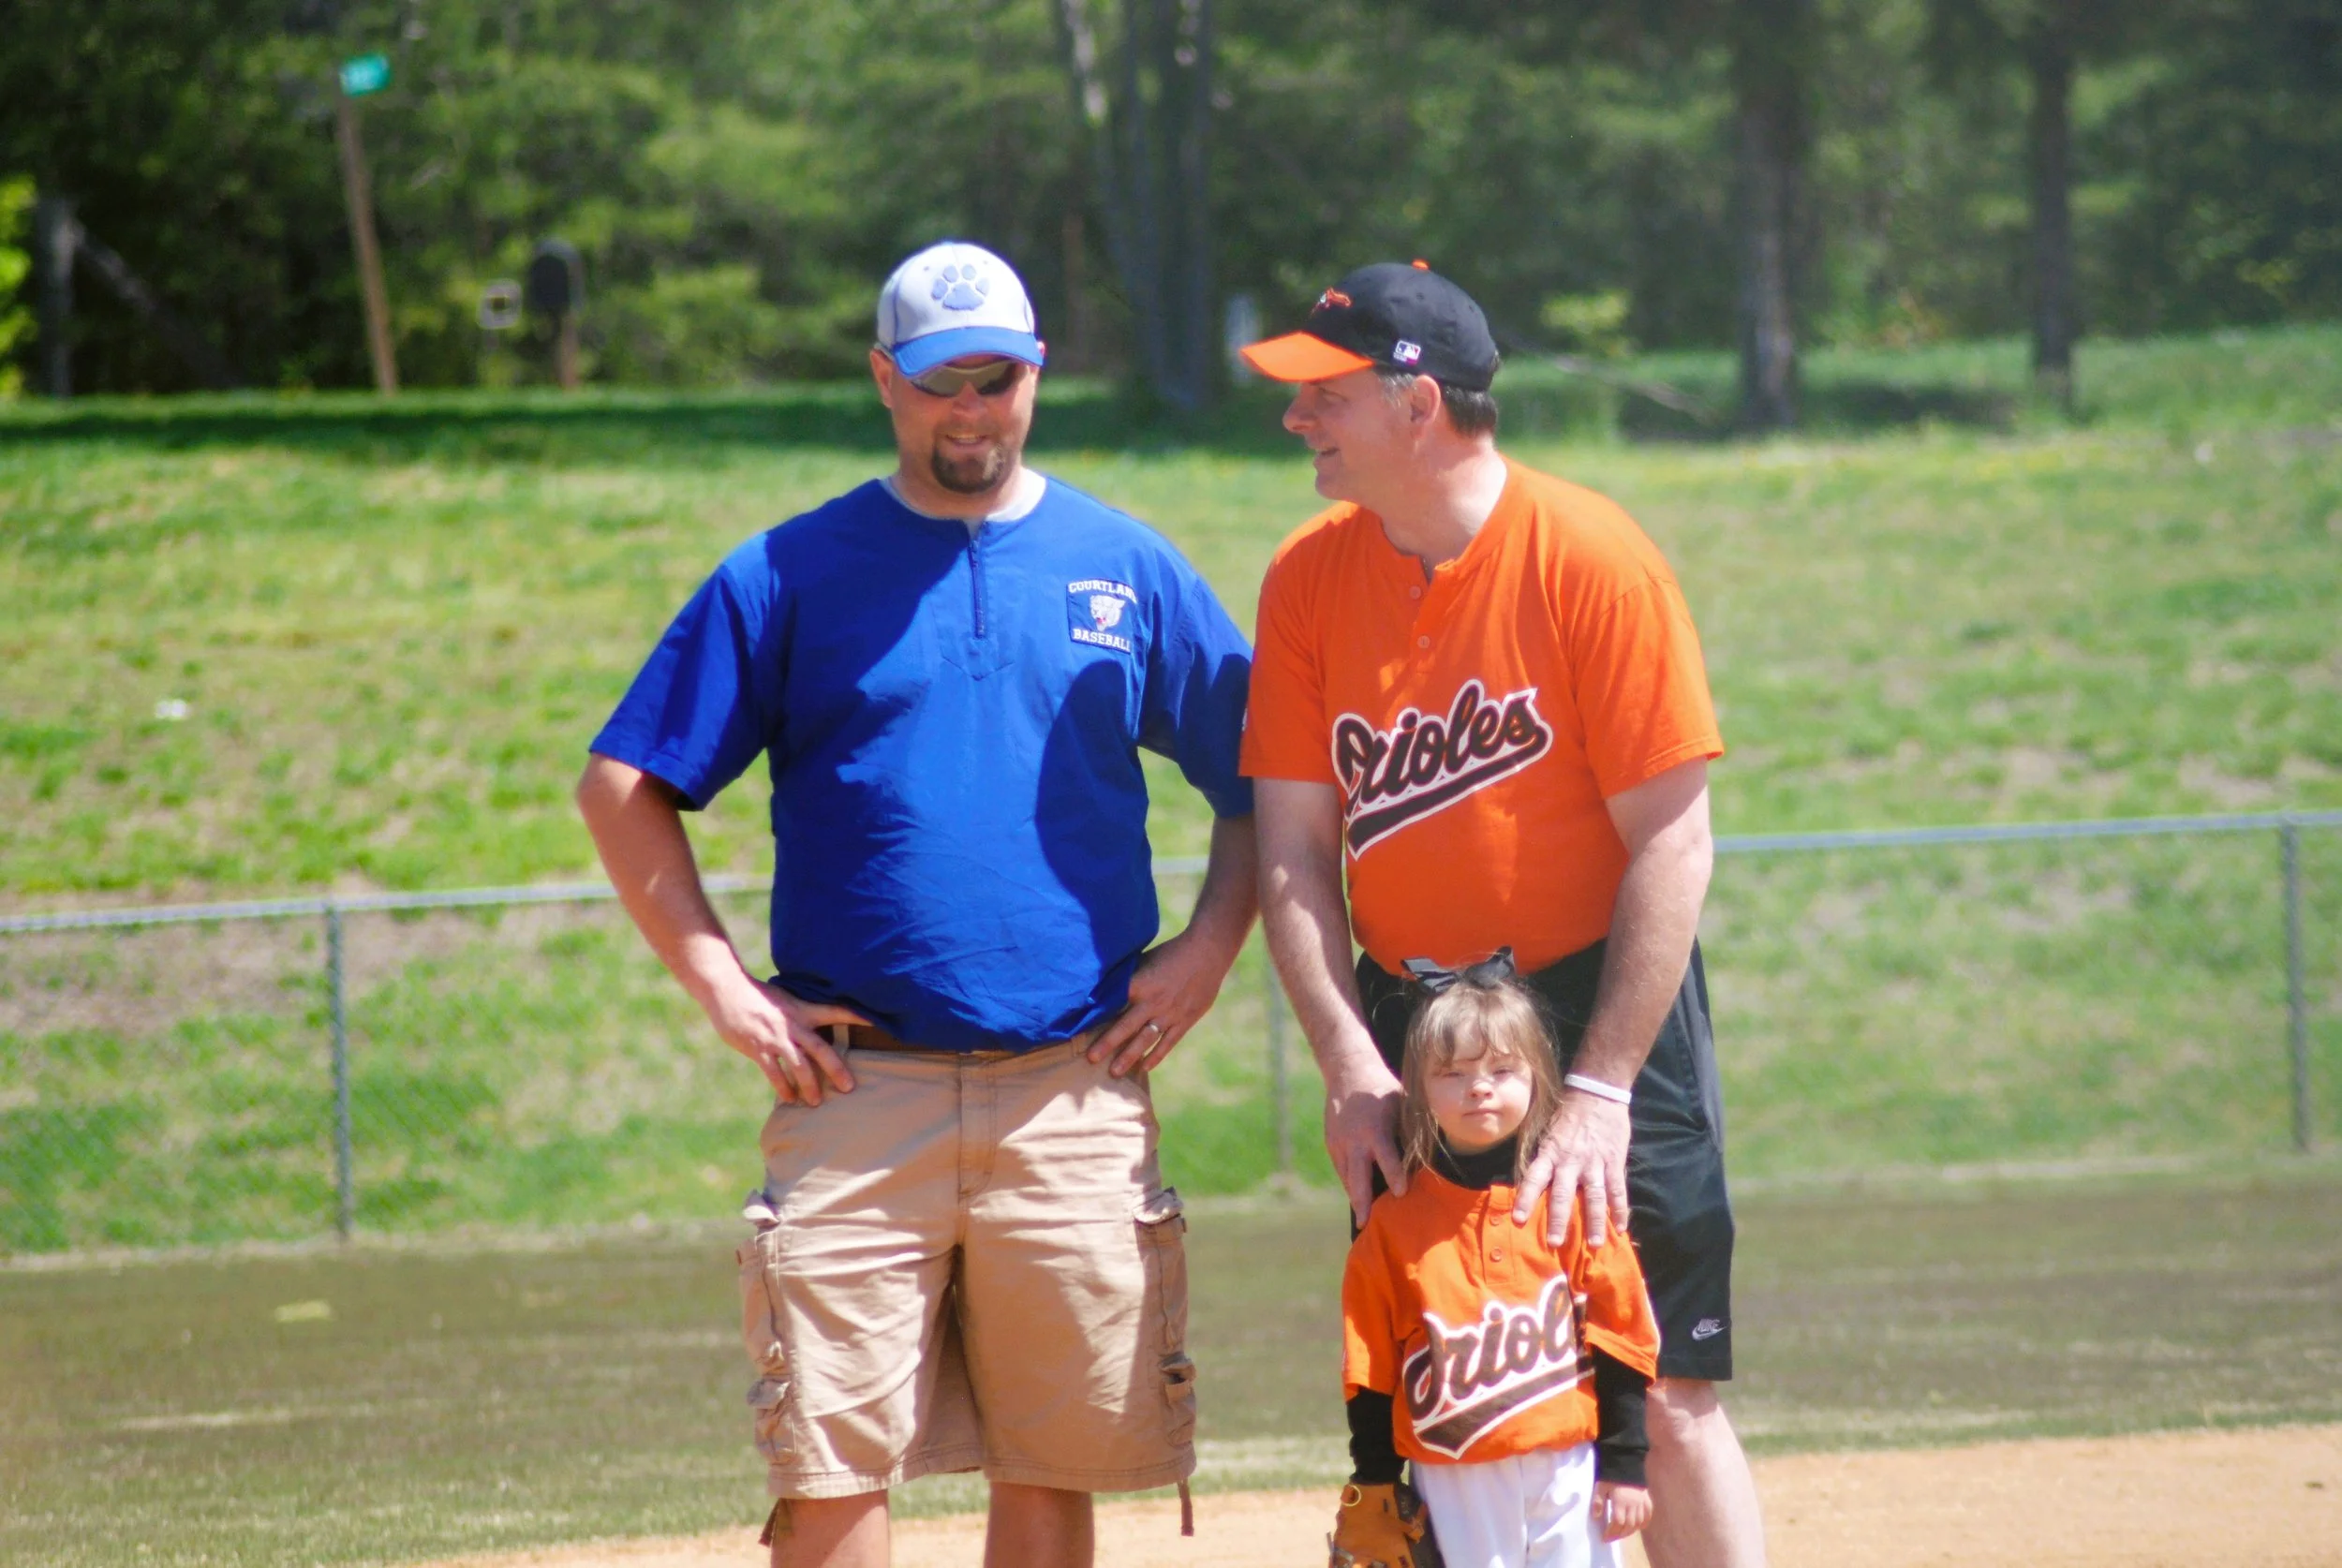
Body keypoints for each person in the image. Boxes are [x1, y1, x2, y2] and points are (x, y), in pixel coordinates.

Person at [574, 240, 1258, 1568]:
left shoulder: (1125, 563)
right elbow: (622, 786)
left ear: (1036, 377)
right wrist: (725, 987)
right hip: (855, 1097)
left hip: (1072, 1083)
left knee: (1053, 1468)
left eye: (998, 379)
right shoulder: (788, 572)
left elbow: (1265, 777)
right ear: (887, 380)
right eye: (943, 381)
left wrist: (1208, 950)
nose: (973, 410)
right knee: (829, 1467)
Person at [1239, 261, 1768, 1568]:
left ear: (1417, 404)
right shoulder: (1309, 579)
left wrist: (1600, 1086)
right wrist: (1353, 1064)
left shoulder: (1591, 558)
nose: (1298, 419)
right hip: (1414, 1021)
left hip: (1595, 1005)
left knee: (1666, 1384)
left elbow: (1672, 838)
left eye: (1327, 394)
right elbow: (1297, 849)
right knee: (1448, 1373)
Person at [1333, 957, 1658, 1568]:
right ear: (1418, 1088)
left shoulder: (1570, 1203)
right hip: (1452, 1472)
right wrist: (1374, 1475)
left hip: (1566, 1462)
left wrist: (1625, 1464)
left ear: (1538, 1077)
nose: (1478, 1087)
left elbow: (1621, 1340)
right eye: (1451, 1073)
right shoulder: (1394, 1224)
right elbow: (1370, 1363)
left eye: (1502, 1069)